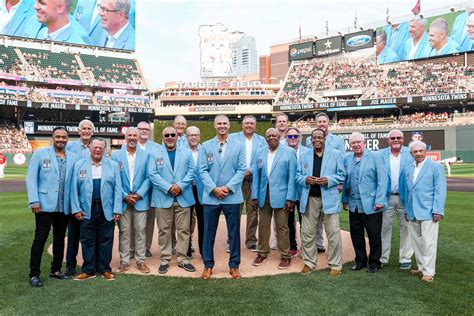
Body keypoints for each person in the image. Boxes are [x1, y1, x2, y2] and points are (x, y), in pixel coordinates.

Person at [26, 127, 78, 287]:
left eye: (64, 137)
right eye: (58, 137)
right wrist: (34, 200)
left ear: (67, 139)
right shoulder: (40, 154)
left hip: (64, 206)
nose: (61, 140)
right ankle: (34, 274)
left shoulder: (74, 158)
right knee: (40, 239)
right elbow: (31, 178)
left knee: (59, 238)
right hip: (43, 205)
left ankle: (56, 270)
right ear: (52, 137)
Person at [198, 115, 246, 280]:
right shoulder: (205, 145)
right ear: (214, 125)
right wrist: (213, 189)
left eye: (225, 123)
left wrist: (227, 188)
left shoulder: (239, 146)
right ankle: (208, 265)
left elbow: (241, 170)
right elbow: (202, 170)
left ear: (229, 125)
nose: (222, 126)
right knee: (208, 233)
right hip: (211, 197)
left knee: (234, 233)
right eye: (219, 123)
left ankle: (234, 266)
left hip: (232, 197)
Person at [70, 138, 122, 281]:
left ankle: (105, 268)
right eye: (95, 147)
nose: (98, 150)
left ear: (105, 149)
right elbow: (73, 189)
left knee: (106, 239)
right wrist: (76, 209)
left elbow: (118, 189)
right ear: (90, 149)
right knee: (87, 239)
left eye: (100, 148)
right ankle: (89, 270)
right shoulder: (79, 165)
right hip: (87, 208)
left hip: (107, 208)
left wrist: (117, 209)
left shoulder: (113, 165)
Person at [296, 128, 345, 275]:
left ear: (324, 139)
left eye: (320, 137)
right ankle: (309, 262)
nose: (317, 140)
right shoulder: (304, 155)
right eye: (314, 138)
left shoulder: (335, 154)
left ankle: (335, 265)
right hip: (310, 198)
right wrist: (306, 179)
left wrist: (328, 180)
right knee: (307, 232)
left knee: (333, 232)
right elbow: (297, 176)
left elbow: (342, 175)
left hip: (329, 198)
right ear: (311, 140)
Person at [148, 127, 196, 274]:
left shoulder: (186, 152)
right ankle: (165, 259)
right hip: (164, 197)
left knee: (184, 230)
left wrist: (180, 186)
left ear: (177, 137)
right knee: (164, 230)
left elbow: (192, 171)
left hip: (183, 197)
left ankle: (183, 258)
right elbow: (152, 173)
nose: (170, 137)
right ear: (162, 137)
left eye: (172, 135)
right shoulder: (155, 153)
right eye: (166, 135)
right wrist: (169, 187)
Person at [251, 128, 296, 270]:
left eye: (274, 135)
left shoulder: (289, 152)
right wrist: (254, 196)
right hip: (264, 196)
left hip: (282, 196)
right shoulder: (260, 152)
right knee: (263, 225)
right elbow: (256, 177)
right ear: (266, 138)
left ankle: (285, 256)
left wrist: (290, 198)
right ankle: (262, 253)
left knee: (282, 227)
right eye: (269, 135)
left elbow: (292, 178)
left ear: (279, 137)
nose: (272, 138)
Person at [342, 132, 388, 273]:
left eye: (358, 142)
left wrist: (380, 200)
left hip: (372, 204)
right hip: (354, 204)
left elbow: (383, 180)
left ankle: (374, 263)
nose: (356, 145)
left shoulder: (375, 156)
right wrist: (344, 199)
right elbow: (345, 181)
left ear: (364, 143)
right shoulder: (347, 158)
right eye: (353, 143)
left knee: (374, 235)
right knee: (356, 235)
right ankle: (360, 261)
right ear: (350, 145)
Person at [403, 141, 446, 282]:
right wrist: (406, 209)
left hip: (429, 211)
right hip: (412, 211)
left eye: (421, 151)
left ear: (425, 151)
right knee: (416, 242)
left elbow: (440, 190)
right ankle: (421, 267)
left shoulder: (435, 167)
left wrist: (438, 210)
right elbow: (408, 191)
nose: (419, 154)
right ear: (411, 154)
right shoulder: (408, 167)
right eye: (415, 152)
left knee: (429, 243)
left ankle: (429, 272)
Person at [111, 127, 151, 274]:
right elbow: (114, 179)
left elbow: (149, 177)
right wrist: (124, 195)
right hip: (123, 200)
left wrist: (139, 194)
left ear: (139, 136)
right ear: (125, 137)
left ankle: (141, 261)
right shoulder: (116, 156)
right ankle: (124, 261)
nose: (133, 138)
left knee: (141, 231)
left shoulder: (146, 155)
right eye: (130, 135)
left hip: (140, 199)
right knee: (124, 231)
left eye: (135, 135)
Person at [305, 112, 345, 253]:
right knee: (312, 224)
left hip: (329, 189)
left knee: (332, 227)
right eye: (319, 122)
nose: (322, 124)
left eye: (324, 121)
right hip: (312, 190)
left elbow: (342, 167)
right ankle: (318, 245)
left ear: (328, 123)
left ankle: (334, 259)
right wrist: (307, 178)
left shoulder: (338, 141)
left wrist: (333, 182)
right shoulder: (309, 142)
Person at [229, 115, 267, 252]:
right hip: (236, 180)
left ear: (255, 125)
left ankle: (251, 240)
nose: (249, 125)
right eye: (246, 123)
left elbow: (262, 158)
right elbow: (229, 157)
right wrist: (241, 171)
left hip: (253, 179)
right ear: (242, 125)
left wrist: (250, 170)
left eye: (252, 123)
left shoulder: (261, 140)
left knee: (253, 211)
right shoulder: (233, 138)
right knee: (234, 211)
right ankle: (231, 241)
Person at [379, 129, 414, 269]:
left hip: (404, 198)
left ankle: (405, 258)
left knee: (406, 228)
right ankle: (382, 258)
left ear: (403, 139)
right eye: (392, 138)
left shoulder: (410, 153)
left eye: (398, 137)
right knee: (384, 228)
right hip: (386, 197)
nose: (395, 140)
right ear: (388, 140)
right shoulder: (381, 154)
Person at [65, 119, 94, 277]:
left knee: (89, 235)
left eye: (89, 128)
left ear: (92, 131)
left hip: (90, 199)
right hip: (75, 195)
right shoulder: (70, 146)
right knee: (73, 235)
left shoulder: (95, 146)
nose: (86, 131)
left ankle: (90, 264)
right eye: (83, 128)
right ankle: (70, 265)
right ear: (79, 130)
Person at [130, 121, 159, 260]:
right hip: (133, 190)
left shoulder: (156, 147)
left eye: (146, 129)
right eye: (141, 128)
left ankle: (146, 247)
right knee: (130, 221)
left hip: (152, 188)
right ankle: (131, 248)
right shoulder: (130, 145)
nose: (144, 131)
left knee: (149, 220)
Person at [286, 127, 310, 257]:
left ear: (300, 137)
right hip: (289, 192)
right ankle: (292, 246)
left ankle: (306, 248)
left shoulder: (307, 151)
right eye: (290, 136)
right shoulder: (282, 151)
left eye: (295, 136)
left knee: (305, 221)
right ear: (286, 138)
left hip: (303, 191)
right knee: (289, 221)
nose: (293, 138)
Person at [186, 126, 204, 257]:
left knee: (203, 221)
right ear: (187, 137)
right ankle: (186, 249)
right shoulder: (181, 151)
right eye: (191, 135)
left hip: (202, 190)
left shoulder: (205, 150)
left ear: (199, 136)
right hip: (186, 189)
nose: (193, 137)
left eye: (196, 135)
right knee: (186, 222)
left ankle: (204, 250)